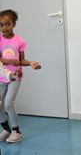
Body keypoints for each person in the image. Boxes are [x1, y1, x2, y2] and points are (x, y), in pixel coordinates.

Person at [0, 9, 41, 143]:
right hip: (1, 76)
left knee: (8, 104)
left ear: (14, 24)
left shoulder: (19, 41)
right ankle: (6, 129)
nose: (4, 28)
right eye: (1, 25)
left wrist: (31, 63)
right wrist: (9, 61)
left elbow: (22, 61)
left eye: (7, 24)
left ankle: (16, 131)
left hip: (15, 77)